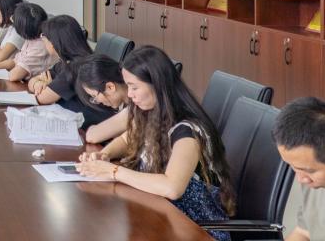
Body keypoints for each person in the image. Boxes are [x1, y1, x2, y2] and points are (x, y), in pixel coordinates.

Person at [76, 46, 234, 239]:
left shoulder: (188, 130)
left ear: (157, 85)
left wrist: (113, 171)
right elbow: (128, 138)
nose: (130, 94)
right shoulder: (150, 111)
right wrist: (105, 154)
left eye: (134, 87)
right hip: (161, 213)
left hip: (196, 228)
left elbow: (172, 188)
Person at [273, 97, 325, 241]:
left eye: (309, 171)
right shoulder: (311, 178)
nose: (300, 179)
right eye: (292, 166)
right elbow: (303, 232)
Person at [26, 15, 113, 127]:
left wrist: (44, 84)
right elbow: (33, 80)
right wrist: (38, 83)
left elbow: (42, 98)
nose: (43, 40)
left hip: (92, 128)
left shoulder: (75, 68)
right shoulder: (67, 62)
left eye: (44, 36)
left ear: (54, 43)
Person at [76, 53, 131, 144]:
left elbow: (92, 136)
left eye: (95, 96)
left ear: (110, 87)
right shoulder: (124, 104)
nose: (97, 101)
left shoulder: (135, 106)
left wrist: (94, 129)